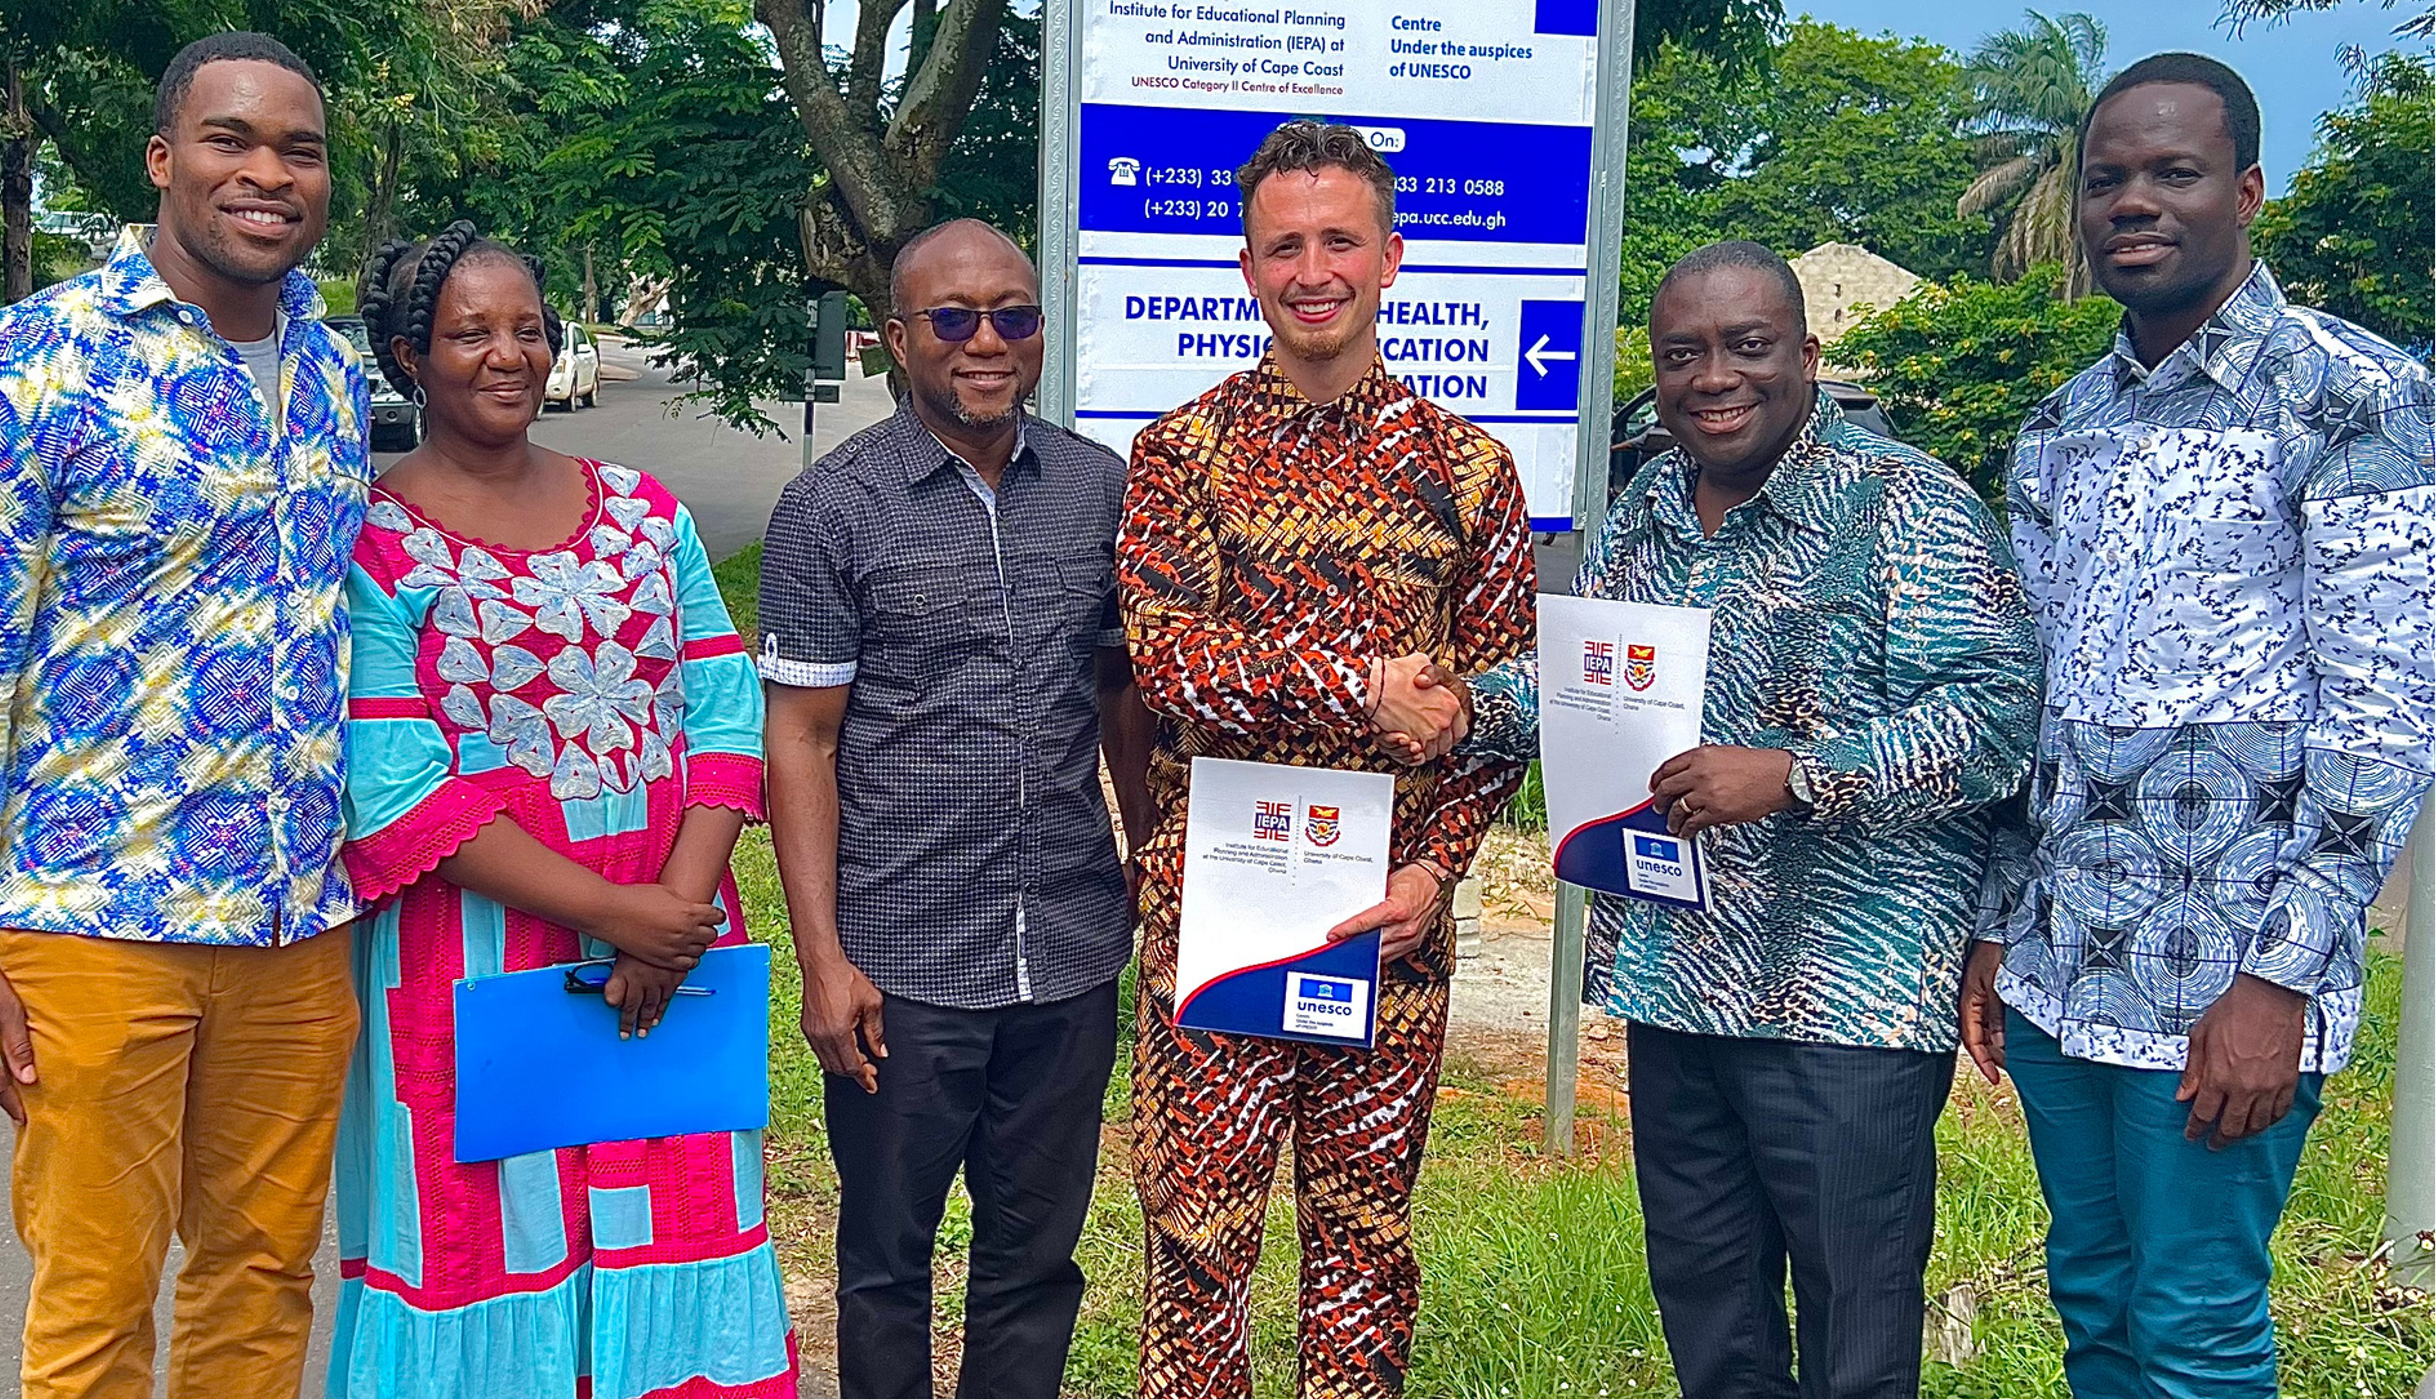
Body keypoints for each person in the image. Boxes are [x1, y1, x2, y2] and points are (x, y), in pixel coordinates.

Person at [1457, 241, 2043, 1398]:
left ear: (1806, 357)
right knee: (1711, 1314)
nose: (1712, 376)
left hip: (1848, 998)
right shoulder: (1649, 505)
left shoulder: (1907, 506)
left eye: (1746, 346)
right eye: (1682, 354)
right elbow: (1585, 686)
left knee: (1854, 1329)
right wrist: (1459, 706)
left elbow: (1996, 719)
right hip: (1676, 976)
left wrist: (1794, 773)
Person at [0, 33, 369, 1400]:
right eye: (231, 140)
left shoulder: (331, 377)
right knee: (96, 1302)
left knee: (263, 1283)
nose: (266, 174)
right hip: (92, 919)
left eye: (299, 149)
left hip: (296, 918)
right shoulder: (22, 364)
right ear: (163, 161)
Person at [1963, 54, 2436, 1400]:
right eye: (2105, 179)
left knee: (2193, 1327)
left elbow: (2383, 718)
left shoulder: (2354, 397)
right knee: (2093, 1303)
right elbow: (2037, 709)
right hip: (2062, 975)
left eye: (2170, 174)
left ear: (2243, 192)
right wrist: (1999, 922)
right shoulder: (2060, 430)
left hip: (2227, 984)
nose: (2132, 204)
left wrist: (2275, 981)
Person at [325, 220, 796, 1400]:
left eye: (528, 328)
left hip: (674, 939)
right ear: (406, 356)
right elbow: (394, 786)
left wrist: (673, 912)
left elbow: (726, 704)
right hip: (469, 951)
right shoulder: (369, 543)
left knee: (673, 1197)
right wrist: (617, 916)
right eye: (469, 332)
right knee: (487, 1224)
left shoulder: (646, 512)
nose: (508, 353)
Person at [1118, 120, 1532, 1398]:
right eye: (1283, 244)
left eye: (1338, 239)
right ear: (1245, 268)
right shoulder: (1180, 454)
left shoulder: (1467, 468)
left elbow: (1508, 700)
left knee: (1362, 1240)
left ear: (1390, 255)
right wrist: (1363, 688)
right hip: (1213, 917)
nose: (1312, 268)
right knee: (1196, 1237)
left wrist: (1437, 870)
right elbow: (1166, 662)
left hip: (1388, 923)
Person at [757, 217, 1153, 1400]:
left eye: (1012, 316)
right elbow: (801, 738)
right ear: (895, 338)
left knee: (1035, 1261)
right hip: (901, 961)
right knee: (886, 1261)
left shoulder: (1098, 489)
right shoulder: (832, 508)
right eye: (953, 318)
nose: (986, 341)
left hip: (1071, 951)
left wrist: (1151, 865)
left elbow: (1119, 694)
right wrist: (820, 957)